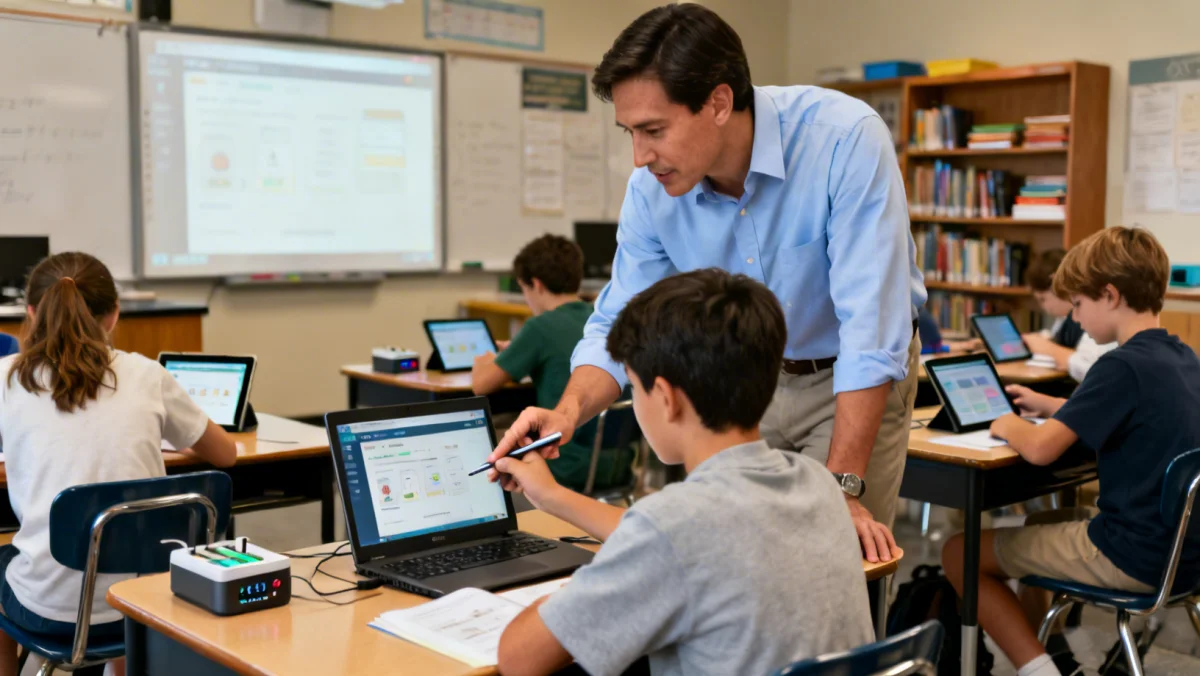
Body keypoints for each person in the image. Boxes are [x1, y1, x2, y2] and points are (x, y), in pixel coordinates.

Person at [488, 3, 925, 562]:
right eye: (629, 132)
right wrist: (568, 411)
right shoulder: (651, 191)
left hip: (849, 379)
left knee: (834, 556)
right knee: (733, 562)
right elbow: (618, 320)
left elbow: (872, 330)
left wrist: (843, 489)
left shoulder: (843, 140)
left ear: (719, 102)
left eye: (653, 130)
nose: (640, 156)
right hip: (743, 386)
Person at [493, 269, 873, 676]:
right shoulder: (818, 485)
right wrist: (551, 497)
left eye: (634, 389)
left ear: (666, 399)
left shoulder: (672, 531)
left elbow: (517, 659)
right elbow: (677, 537)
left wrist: (604, 579)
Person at [941, 227, 1200, 676]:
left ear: (1110, 295)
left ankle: (1040, 671)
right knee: (1040, 524)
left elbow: (1040, 449)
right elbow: (1131, 412)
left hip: (1130, 555)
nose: (1076, 318)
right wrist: (1056, 406)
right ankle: (1055, 652)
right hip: (1185, 553)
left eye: (1078, 305)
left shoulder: (1118, 364)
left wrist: (1006, 423)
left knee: (959, 553)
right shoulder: (1180, 355)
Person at [0, 253, 237, 676]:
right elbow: (226, 455)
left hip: (48, 614)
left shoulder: (6, 378)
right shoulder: (147, 376)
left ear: (32, 314)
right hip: (147, 605)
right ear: (114, 315)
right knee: (129, 553)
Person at [472, 235, 633, 492]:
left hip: (564, 465)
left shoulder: (540, 327)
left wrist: (486, 359)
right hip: (617, 464)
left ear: (535, 285)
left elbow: (481, 385)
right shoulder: (600, 319)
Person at [1020, 248, 1115, 381]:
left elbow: (1093, 369)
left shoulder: (1097, 321)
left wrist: (1049, 349)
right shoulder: (1066, 319)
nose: (1075, 316)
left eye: (1043, 299)